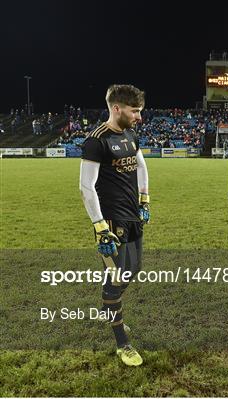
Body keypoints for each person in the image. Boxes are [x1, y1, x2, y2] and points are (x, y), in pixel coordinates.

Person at [79, 84, 150, 367]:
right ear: (117, 108)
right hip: (110, 223)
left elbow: (142, 165)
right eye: (135, 111)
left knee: (134, 268)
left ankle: (110, 309)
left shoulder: (131, 135)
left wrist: (144, 200)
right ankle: (123, 342)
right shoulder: (96, 141)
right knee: (116, 278)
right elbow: (86, 186)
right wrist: (99, 227)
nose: (139, 117)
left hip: (133, 216)